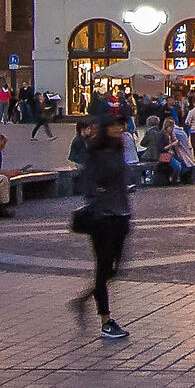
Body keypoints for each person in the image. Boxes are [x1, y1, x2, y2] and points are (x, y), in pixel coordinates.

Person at [72, 117, 133, 340]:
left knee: (113, 269)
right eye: (115, 125)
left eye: (121, 125)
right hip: (102, 218)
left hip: (121, 215)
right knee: (103, 267)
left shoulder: (119, 150)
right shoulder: (96, 153)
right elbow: (87, 182)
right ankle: (106, 320)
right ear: (106, 128)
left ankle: (83, 300)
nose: (120, 129)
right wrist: (100, 195)